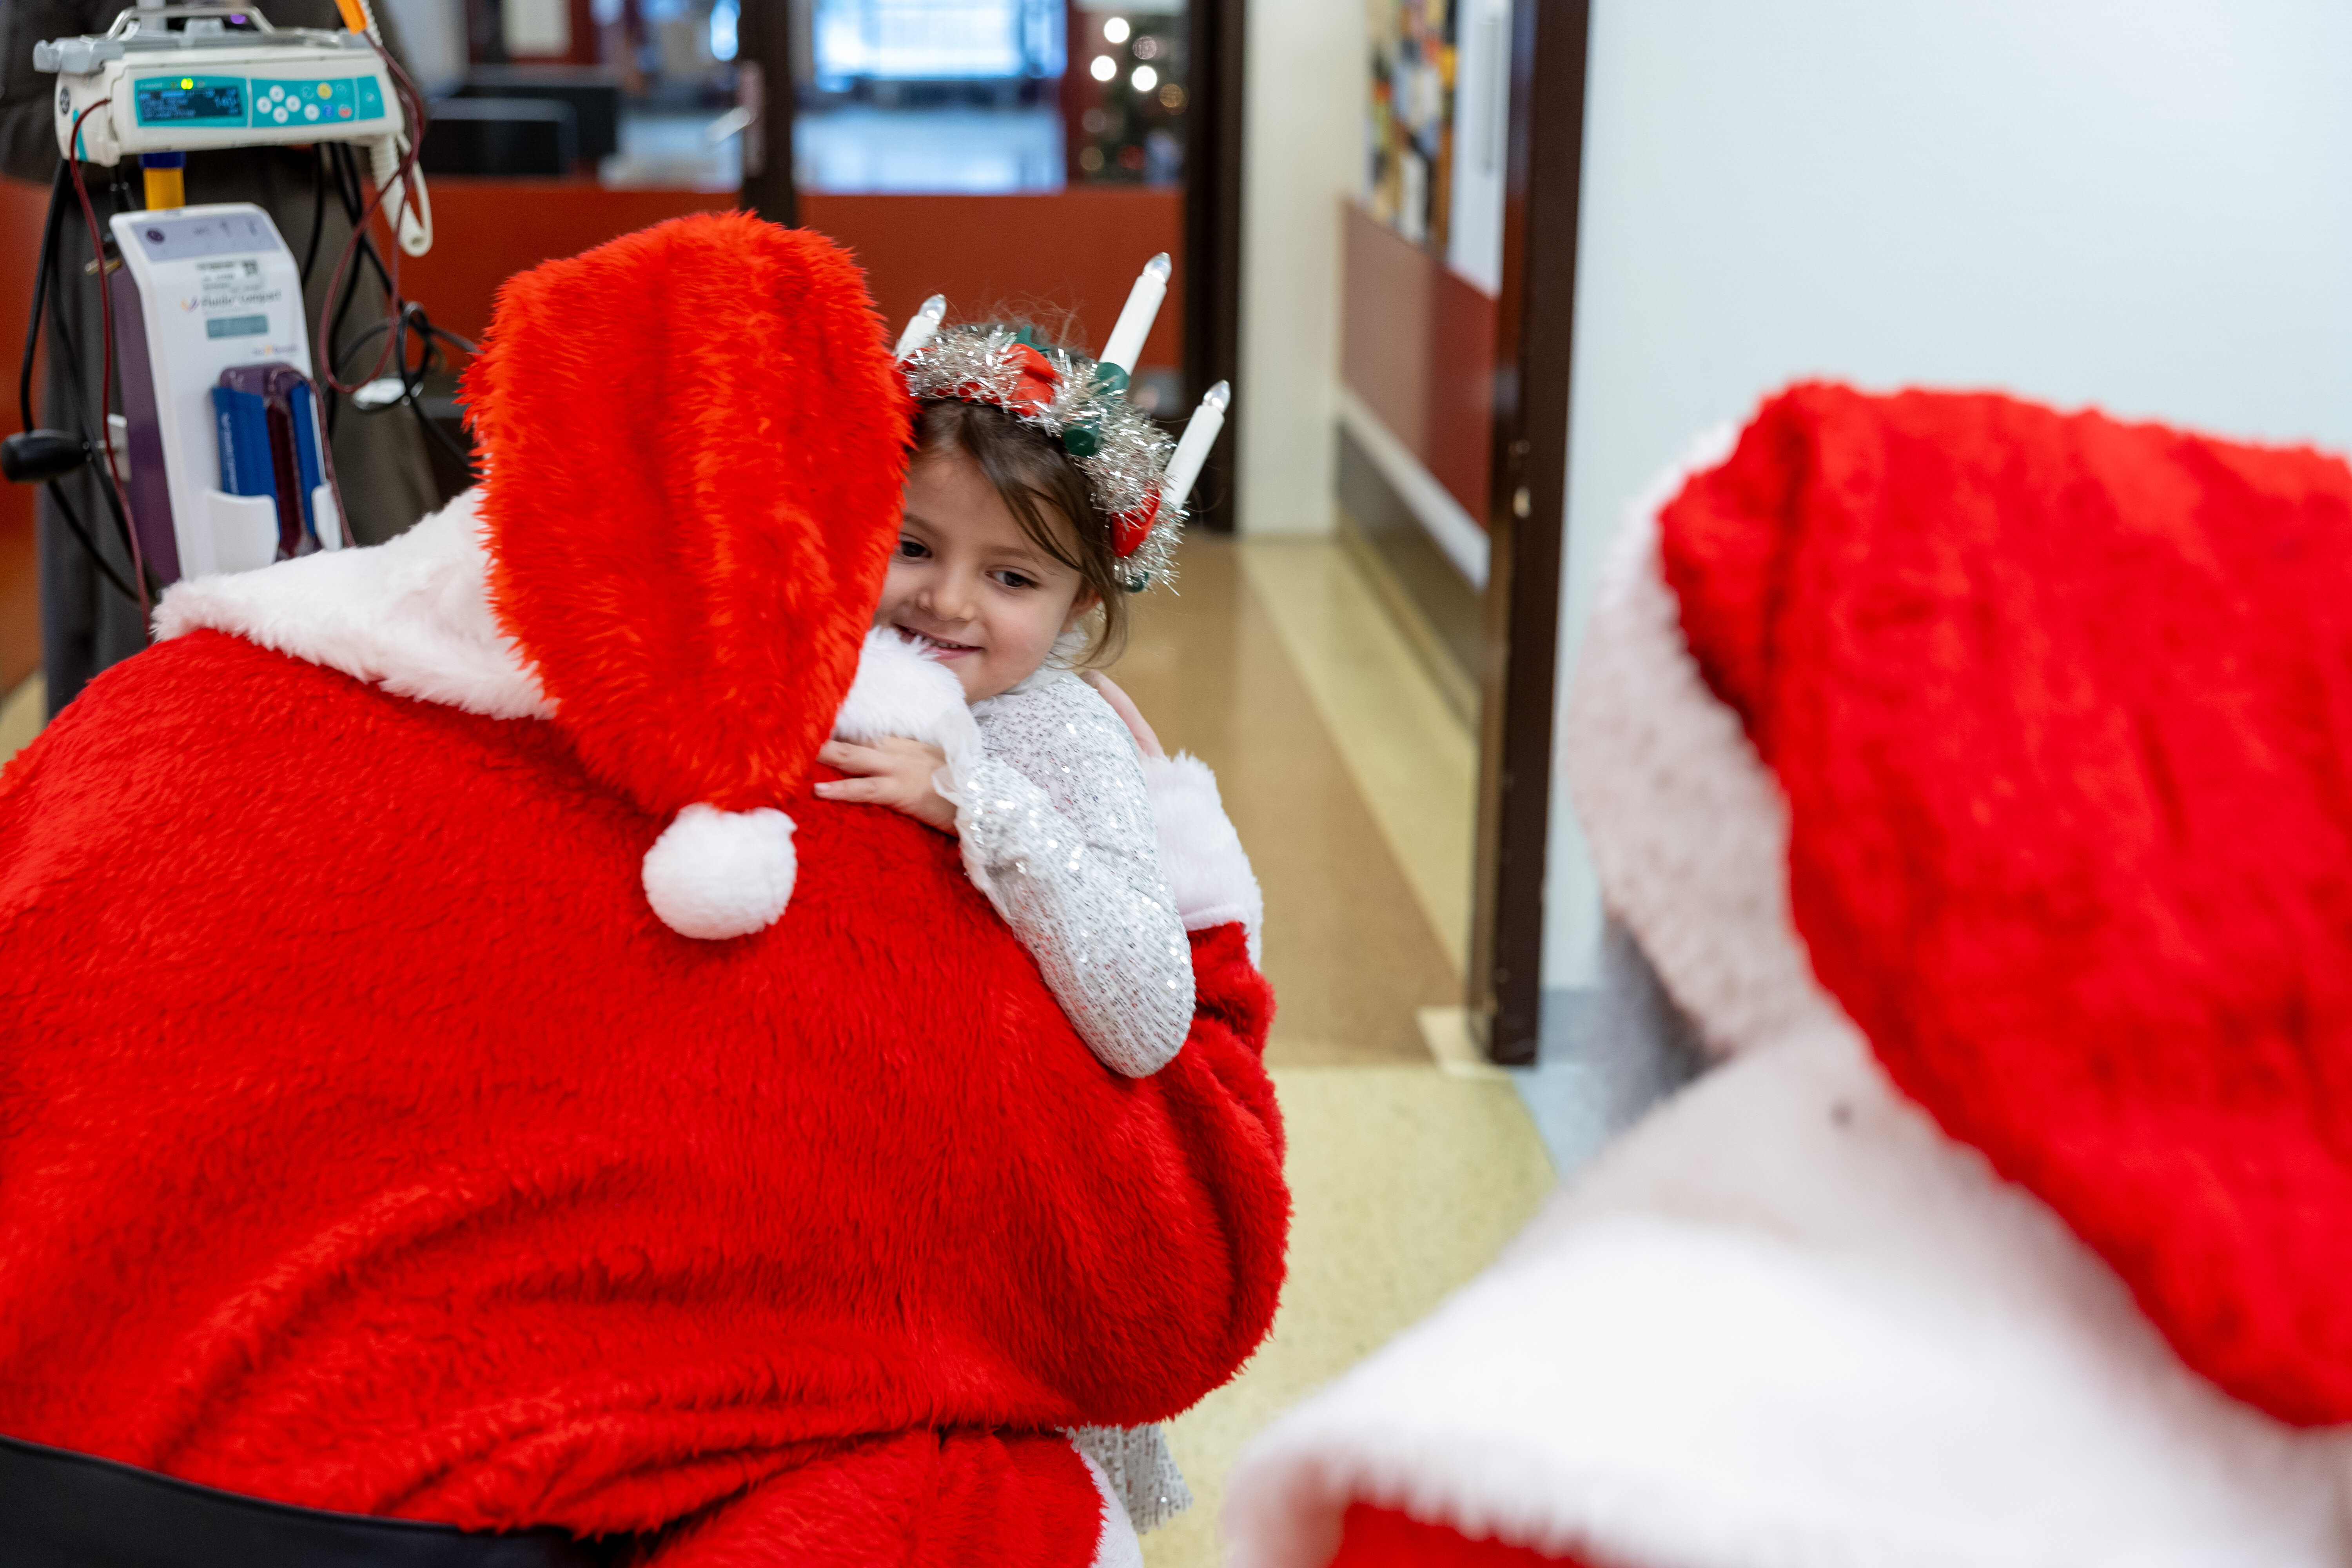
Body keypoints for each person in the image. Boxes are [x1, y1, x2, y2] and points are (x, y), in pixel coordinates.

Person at [0, 0, 441, 715]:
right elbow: (13, 122)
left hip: (311, 267)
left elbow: (402, 109)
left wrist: (289, 106)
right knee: (146, 562)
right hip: (130, 265)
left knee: (358, 529)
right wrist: (135, 113)